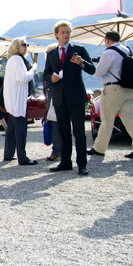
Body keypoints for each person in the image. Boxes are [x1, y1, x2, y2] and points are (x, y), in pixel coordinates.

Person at [43, 20, 96, 176]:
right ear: (56, 35)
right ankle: (65, 162)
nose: (66, 35)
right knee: (64, 132)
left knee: (79, 132)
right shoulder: (51, 54)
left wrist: (82, 63)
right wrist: (50, 78)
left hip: (76, 97)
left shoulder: (79, 49)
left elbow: (92, 69)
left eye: (68, 32)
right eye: (63, 32)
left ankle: (82, 165)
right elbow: (46, 73)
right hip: (59, 98)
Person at [88, 31, 133, 159]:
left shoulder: (108, 52)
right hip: (129, 89)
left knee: (107, 120)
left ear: (107, 40)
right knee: (130, 120)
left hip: (113, 89)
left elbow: (98, 73)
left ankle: (99, 148)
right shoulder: (128, 50)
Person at [3, 38, 38, 165]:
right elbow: (23, 77)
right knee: (21, 130)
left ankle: (8, 154)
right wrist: (33, 69)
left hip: (12, 100)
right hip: (17, 100)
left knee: (12, 130)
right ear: (16, 47)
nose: (26, 47)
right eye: (24, 45)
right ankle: (22, 158)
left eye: (27, 45)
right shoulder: (17, 59)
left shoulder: (12, 60)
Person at [44, 43, 62, 162]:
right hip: (52, 96)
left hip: (55, 96)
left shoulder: (55, 67)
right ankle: (57, 151)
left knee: (56, 125)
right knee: (55, 124)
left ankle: (57, 151)